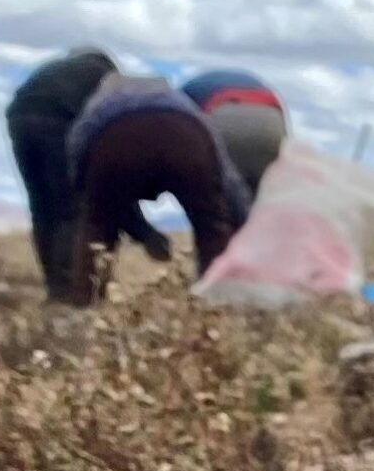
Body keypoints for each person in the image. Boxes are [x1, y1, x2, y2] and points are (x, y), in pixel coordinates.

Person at [65, 72, 252, 302]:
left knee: (98, 227)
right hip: (184, 137)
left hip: (114, 139)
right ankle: (220, 302)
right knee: (211, 226)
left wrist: (82, 188)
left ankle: (85, 304)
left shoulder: (103, 99)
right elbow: (223, 172)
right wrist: (246, 223)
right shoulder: (181, 103)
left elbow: (78, 141)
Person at [7, 51, 120, 302]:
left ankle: (54, 286)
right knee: (69, 208)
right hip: (58, 120)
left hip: (18, 118)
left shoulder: (59, 69)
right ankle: (68, 290)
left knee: (41, 206)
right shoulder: (107, 80)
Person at [181, 68, 289, 198]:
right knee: (259, 201)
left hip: (222, 112)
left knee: (217, 201)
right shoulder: (255, 83)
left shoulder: (177, 96)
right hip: (271, 120)